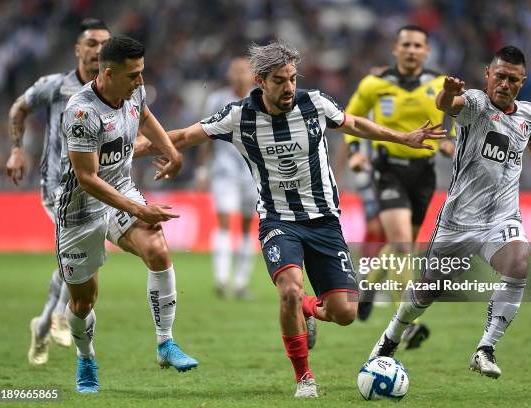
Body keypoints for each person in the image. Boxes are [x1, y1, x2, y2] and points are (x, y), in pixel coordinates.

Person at [135, 40, 445, 398]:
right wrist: (130, 149)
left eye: (293, 79)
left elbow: (356, 124)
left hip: (325, 220)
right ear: (260, 81)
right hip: (278, 221)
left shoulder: (314, 104)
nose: (289, 88)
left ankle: (309, 309)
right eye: (280, 81)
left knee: (345, 312)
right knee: (290, 290)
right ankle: (304, 379)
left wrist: (403, 137)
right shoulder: (239, 115)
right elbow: (185, 136)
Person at [369, 45, 531, 379]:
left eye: (513, 79)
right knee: (427, 291)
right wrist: (447, 95)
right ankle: (391, 336)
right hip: (458, 223)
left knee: (519, 264)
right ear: (488, 76)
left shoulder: (528, 113)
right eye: (500, 76)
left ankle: (485, 349)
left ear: (522, 82)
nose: (505, 84)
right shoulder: (477, 104)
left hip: (502, 219)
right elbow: (449, 105)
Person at [57, 35, 198, 393]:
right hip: (80, 211)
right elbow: (87, 179)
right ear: (108, 73)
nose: (141, 82)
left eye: (142, 73)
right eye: (134, 75)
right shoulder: (82, 112)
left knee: (158, 251)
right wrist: (139, 207)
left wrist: (172, 152)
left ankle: (165, 343)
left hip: (121, 189)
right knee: (82, 300)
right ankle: (86, 357)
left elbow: (146, 115)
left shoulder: (134, 91)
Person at [5, 18, 111, 366]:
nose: (98, 50)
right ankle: (62, 318)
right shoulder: (55, 86)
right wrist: (17, 149)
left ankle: (42, 325)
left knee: (81, 259)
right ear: (78, 49)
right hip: (58, 189)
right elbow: (19, 108)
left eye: (104, 44)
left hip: (98, 187)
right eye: (92, 44)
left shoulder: (111, 91)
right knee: (82, 257)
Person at [344, 26, 455, 346]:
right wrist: (355, 154)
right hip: (387, 169)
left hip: (424, 174)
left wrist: (450, 142)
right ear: (395, 48)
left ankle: (368, 285)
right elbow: (351, 118)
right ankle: (407, 323)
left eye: (417, 45)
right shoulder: (375, 84)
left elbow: (460, 119)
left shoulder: (439, 84)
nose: (411, 50)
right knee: (403, 245)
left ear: (426, 51)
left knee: (402, 248)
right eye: (405, 44)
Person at [195, 57, 257, 299]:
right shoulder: (216, 99)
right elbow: (203, 135)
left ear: (253, 75)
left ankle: (240, 283)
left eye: (244, 71)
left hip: (252, 171)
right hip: (224, 170)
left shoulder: (260, 98)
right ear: (229, 75)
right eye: (235, 71)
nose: (239, 75)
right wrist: (202, 170)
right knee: (223, 222)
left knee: (245, 225)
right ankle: (221, 279)